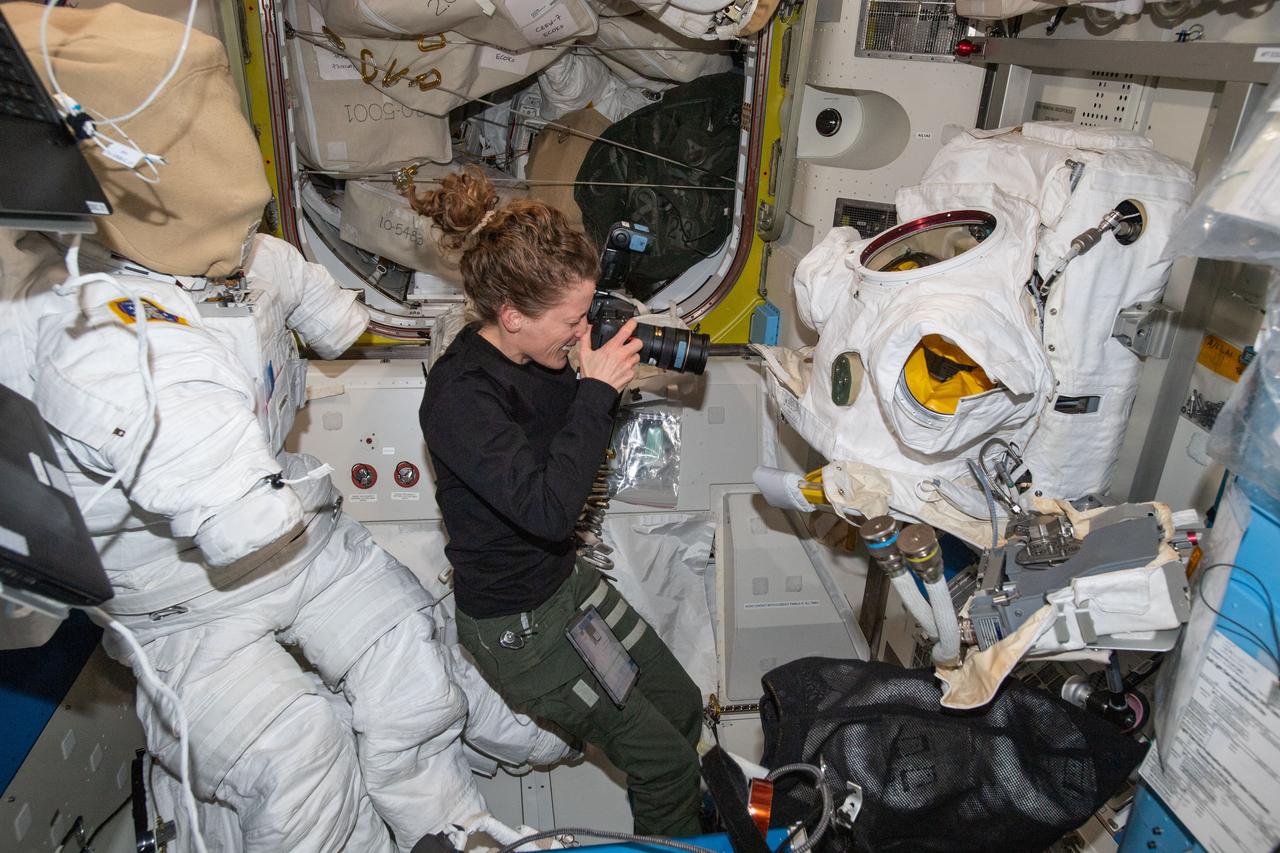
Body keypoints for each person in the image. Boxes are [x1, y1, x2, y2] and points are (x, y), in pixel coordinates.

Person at [3, 5, 569, 851]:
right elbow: (224, 498)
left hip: (297, 540)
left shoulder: (260, 261)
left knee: (408, 653)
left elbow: (340, 325)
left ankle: (451, 824)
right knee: (296, 747)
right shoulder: (92, 334)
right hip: (179, 607)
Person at [415, 167, 705, 838]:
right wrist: (596, 391)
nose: (582, 334)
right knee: (664, 766)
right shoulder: (461, 399)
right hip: (519, 627)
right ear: (511, 315)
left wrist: (586, 368)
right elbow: (548, 509)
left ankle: (690, 823)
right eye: (572, 321)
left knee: (682, 706)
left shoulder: (540, 355)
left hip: (564, 584)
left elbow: (558, 441)